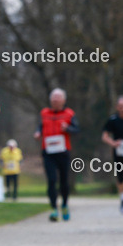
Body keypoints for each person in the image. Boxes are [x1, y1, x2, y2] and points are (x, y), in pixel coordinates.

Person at [33, 88, 78, 221]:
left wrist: (68, 128)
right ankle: (53, 208)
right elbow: (40, 126)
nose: (55, 100)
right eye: (53, 98)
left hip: (63, 151)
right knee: (51, 180)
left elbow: (77, 129)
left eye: (58, 98)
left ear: (63, 100)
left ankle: (64, 204)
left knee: (64, 181)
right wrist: (37, 133)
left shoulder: (69, 113)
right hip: (48, 152)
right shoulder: (44, 113)